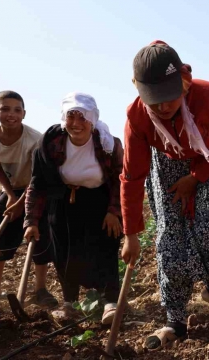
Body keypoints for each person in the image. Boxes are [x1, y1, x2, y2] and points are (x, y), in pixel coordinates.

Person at [120, 40, 209, 350]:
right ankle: (175, 319)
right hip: (169, 165)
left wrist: (196, 176)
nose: (162, 108)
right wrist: (131, 233)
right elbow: (132, 175)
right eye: (154, 100)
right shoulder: (137, 116)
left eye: (168, 98)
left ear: (183, 82)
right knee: (170, 238)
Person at [24, 92, 124, 324]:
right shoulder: (50, 144)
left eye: (83, 117)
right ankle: (69, 303)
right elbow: (38, 183)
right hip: (62, 198)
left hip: (99, 199)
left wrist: (114, 211)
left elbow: (121, 179)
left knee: (105, 247)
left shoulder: (108, 144)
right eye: (71, 116)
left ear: (93, 120)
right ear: (63, 117)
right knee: (64, 251)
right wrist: (31, 220)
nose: (76, 124)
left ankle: (110, 301)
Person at [0, 91, 57, 306]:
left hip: (39, 189)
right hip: (12, 189)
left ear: (24, 114)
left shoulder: (35, 140)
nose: (11, 114)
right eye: (4, 109)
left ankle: (40, 289)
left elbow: (37, 176)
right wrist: (11, 196)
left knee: (40, 237)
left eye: (17, 110)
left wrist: (22, 201)